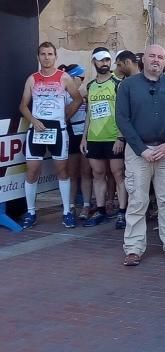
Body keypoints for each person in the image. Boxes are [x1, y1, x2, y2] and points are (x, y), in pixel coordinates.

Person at [115, 44, 165, 266]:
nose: (156, 60)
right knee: (137, 200)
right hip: (139, 152)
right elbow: (122, 119)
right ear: (143, 60)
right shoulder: (128, 86)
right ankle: (133, 248)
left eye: (161, 57)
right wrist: (142, 149)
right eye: (152, 56)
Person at [19, 42, 82, 229]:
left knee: (62, 171)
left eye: (50, 54)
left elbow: (77, 99)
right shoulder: (32, 79)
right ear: (38, 57)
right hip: (37, 129)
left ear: (56, 57)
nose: (46, 57)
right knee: (32, 172)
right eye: (43, 54)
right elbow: (23, 105)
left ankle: (66, 211)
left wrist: (66, 116)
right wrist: (33, 120)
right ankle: (31, 212)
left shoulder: (64, 78)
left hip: (58, 129)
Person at [80, 48, 127, 229]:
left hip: (113, 137)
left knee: (118, 174)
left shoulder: (118, 83)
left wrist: (120, 137)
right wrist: (84, 137)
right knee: (97, 174)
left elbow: (123, 113)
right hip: (94, 138)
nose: (104, 63)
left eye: (107, 59)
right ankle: (100, 210)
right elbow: (89, 113)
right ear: (94, 62)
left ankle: (122, 212)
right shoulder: (90, 86)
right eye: (100, 60)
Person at [62, 64, 93, 219]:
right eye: (80, 78)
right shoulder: (64, 94)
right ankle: (71, 205)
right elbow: (64, 115)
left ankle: (86, 205)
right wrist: (78, 100)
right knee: (72, 173)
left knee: (86, 172)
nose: (82, 81)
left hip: (85, 135)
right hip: (70, 134)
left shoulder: (87, 92)